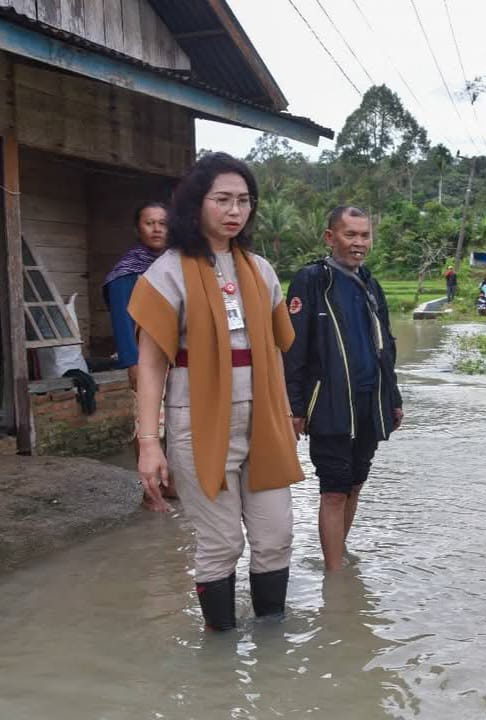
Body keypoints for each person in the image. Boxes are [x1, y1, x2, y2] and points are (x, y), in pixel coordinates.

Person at [128, 152, 303, 630]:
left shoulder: (261, 270)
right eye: (222, 199)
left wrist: (288, 416)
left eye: (244, 201)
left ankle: (272, 644)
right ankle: (220, 648)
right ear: (196, 204)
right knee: (222, 542)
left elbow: (277, 351)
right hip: (197, 420)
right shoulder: (166, 272)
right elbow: (149, 365)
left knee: (276, 535)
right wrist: (149, 444)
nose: (235, 211)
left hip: (263, 419)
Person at [284, 206, 403, 571]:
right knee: (333, 489)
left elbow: (387, 345)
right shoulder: (311, 280)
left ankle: (339, 553)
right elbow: (293, 347)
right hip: (330, 404)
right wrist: (296, 406)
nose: (359, 243)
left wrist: (393, 398)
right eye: (350, 235)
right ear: (330, 237)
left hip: (369, 401)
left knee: (355, 482)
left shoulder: (369, 282)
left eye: (365, 235)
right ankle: (335, 576)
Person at [103, 201, 175, 511]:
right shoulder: (127, 272)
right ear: (138, 228)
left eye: (163, 223)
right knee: (147, 426)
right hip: (146, 361)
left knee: (174, 423)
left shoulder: (175, 265)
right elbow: (122, 321)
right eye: (150, 223)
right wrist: (132, 363)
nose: (157, 228)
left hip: (176, 359)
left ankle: (170, 485)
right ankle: (151, 494)